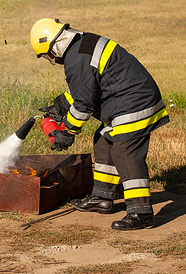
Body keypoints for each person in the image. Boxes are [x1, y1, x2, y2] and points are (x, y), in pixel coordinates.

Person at [30, 18, 170, 230]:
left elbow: (84, 104)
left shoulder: (75, 60)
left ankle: (141, 213)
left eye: (48, 54)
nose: (52, 58)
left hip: (136, 103)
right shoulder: (80, 46)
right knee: (104, 140)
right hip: (129, 99)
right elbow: (86, 87)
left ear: (54, 45)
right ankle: (102, 198)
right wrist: (59, 106)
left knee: (125, 150)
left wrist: (67, 131)